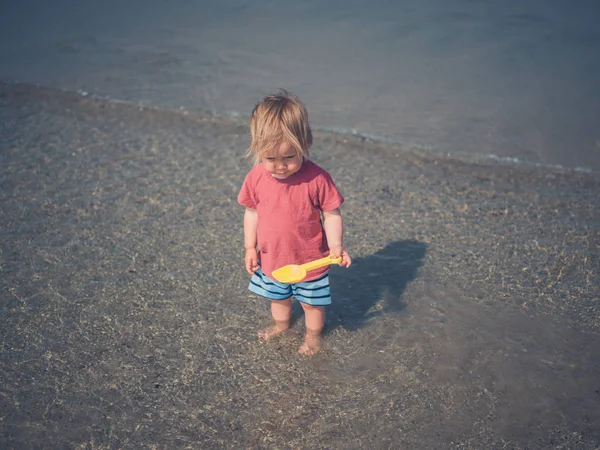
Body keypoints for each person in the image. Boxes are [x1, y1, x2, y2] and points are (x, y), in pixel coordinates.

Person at [237, 90, 352, 355]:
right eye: (270, 159)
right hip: (273, 259)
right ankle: (281, 326)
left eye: (289, 157)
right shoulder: (255, 177)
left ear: (304, 143)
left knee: (313, 305)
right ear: (257, 150)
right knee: (278, 299)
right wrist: (249, 248)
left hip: (310, 260)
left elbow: (332, 214)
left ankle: (313, 337)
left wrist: (336, 246)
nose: (280, 166)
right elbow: (251, 213)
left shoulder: (317, 179)